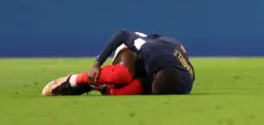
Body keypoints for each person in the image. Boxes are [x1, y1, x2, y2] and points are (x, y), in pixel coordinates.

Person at [42, 29, 195, 96]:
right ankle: (74, 80)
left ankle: (92, 85)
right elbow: (122, 34)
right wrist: (97, 64)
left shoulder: (185, 83)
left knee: (116, 93)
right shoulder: (149, 50)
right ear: (156, 74)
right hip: (135, 49)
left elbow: (156, 87)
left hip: (163, 59)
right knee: (121, 76)